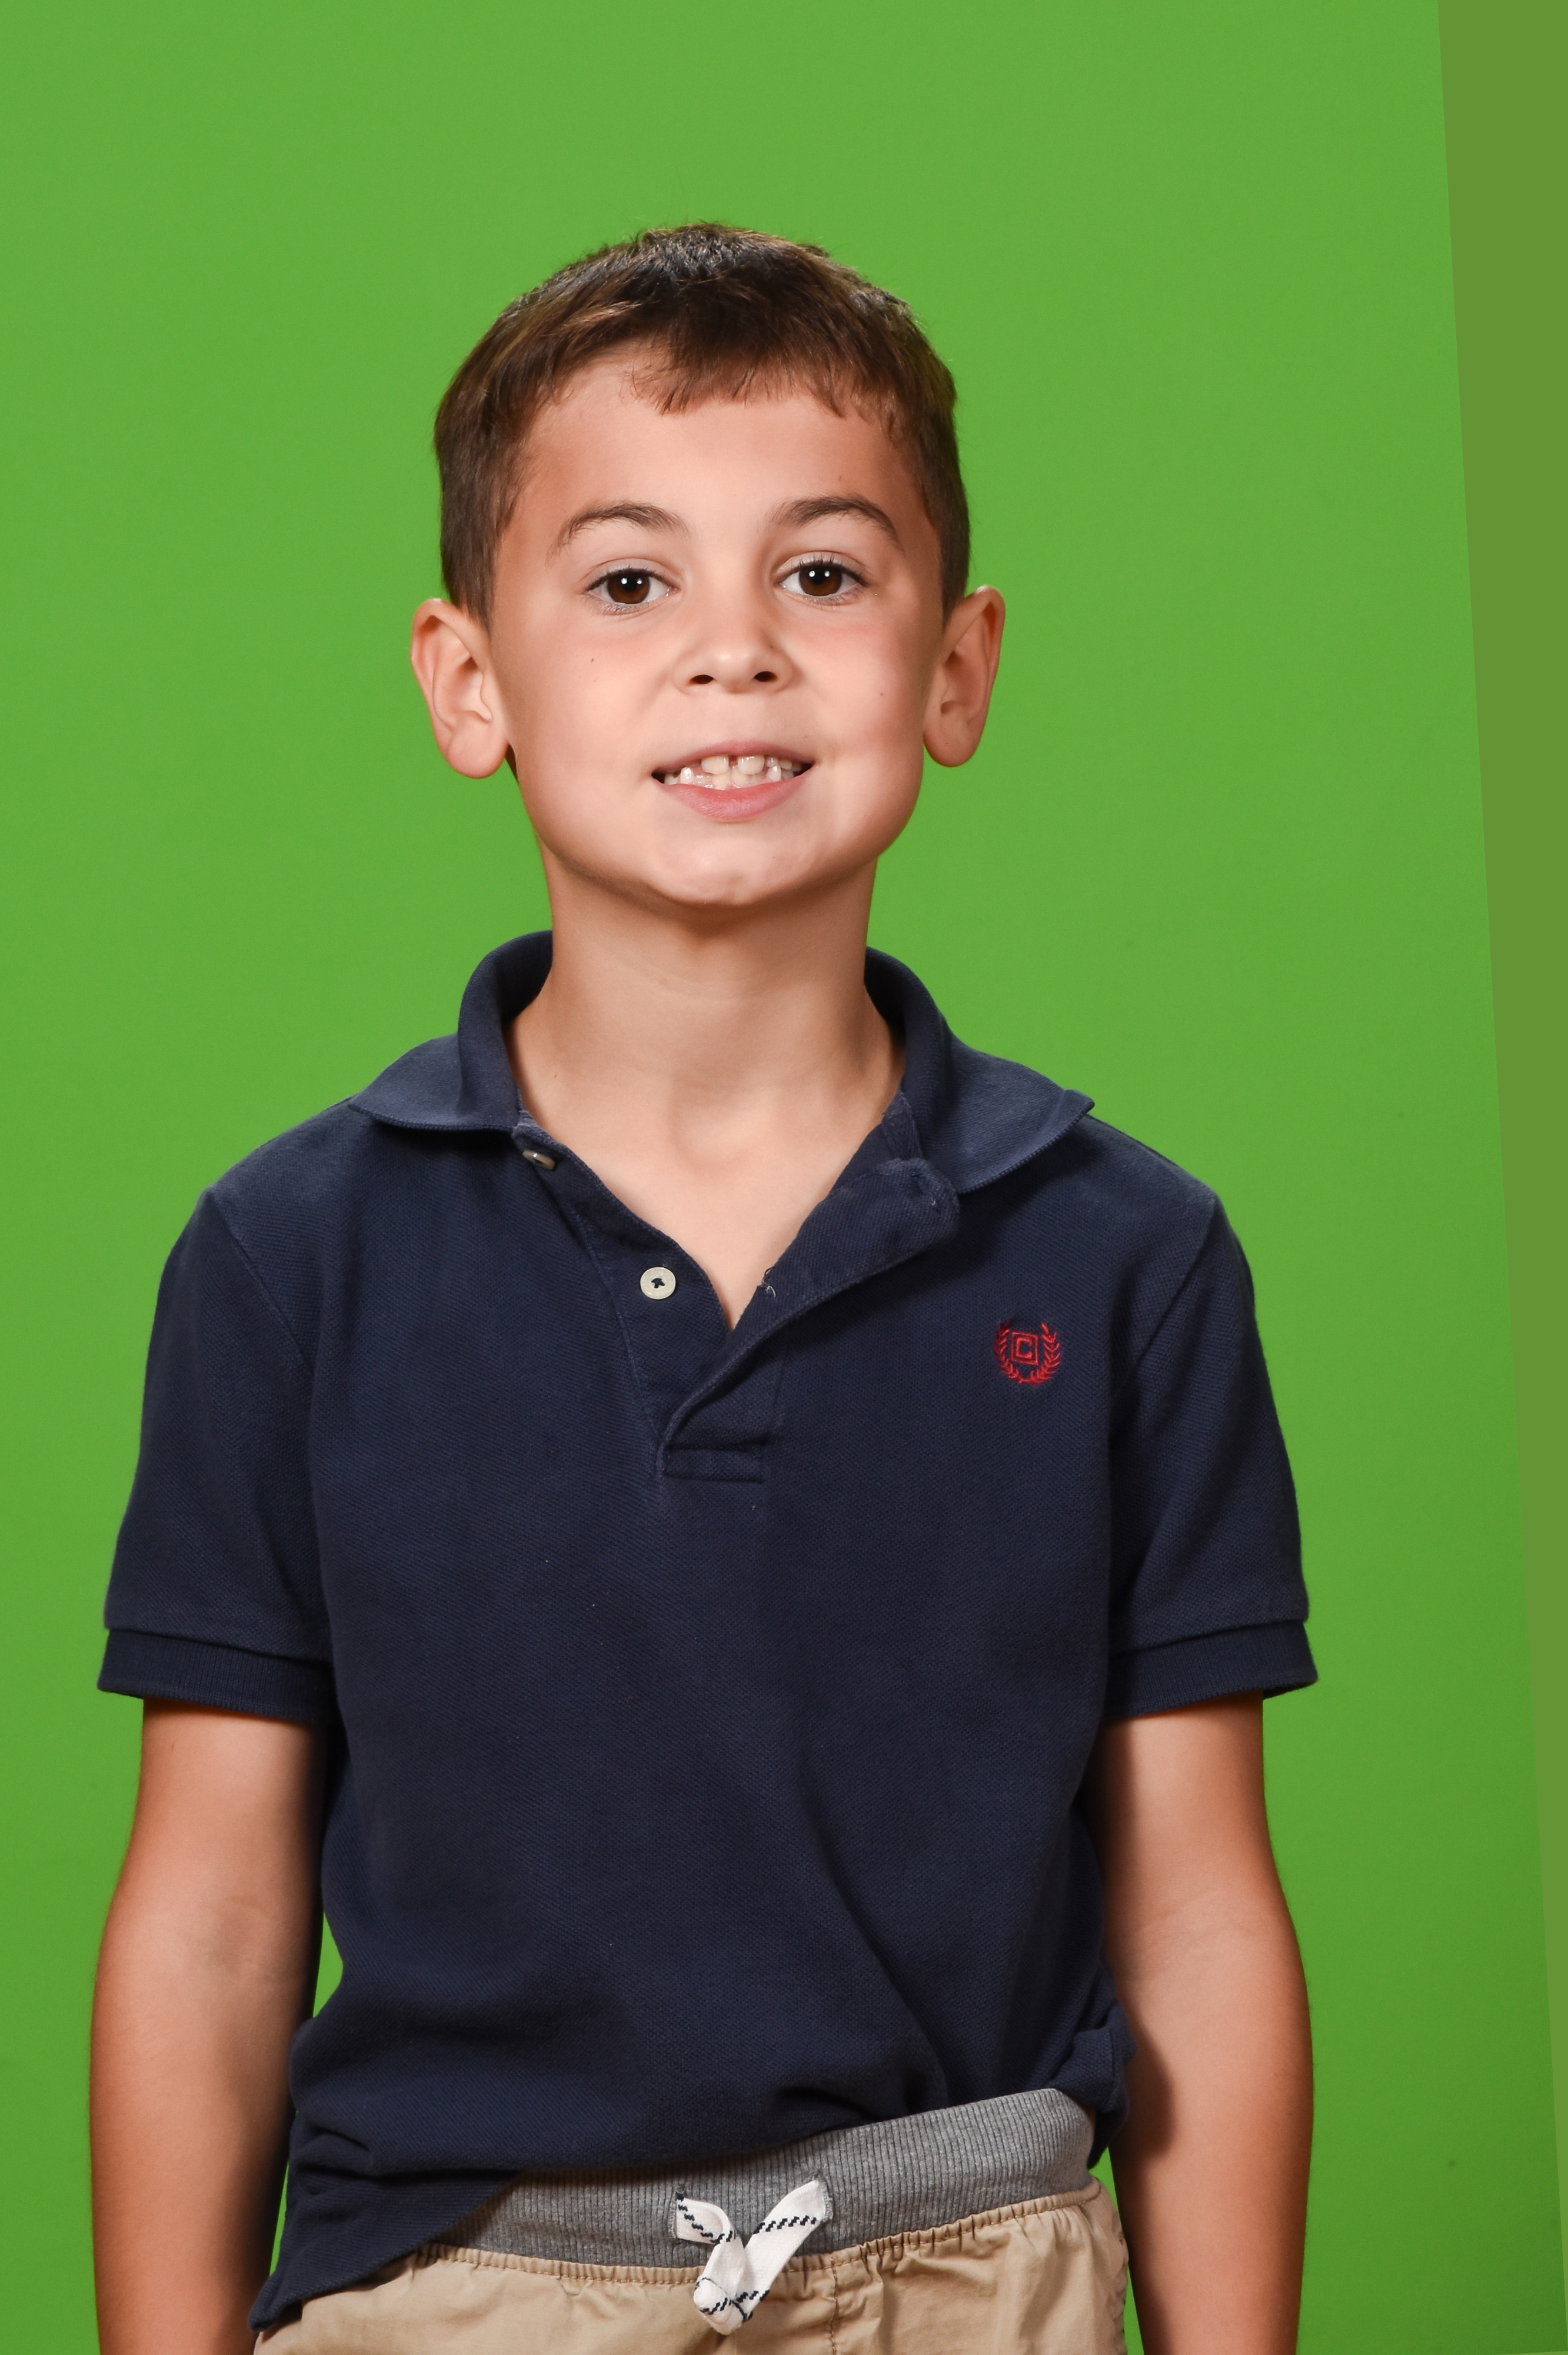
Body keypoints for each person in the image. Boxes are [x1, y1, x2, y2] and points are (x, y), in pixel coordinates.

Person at [90, 225, 1314, 2355]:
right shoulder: (293, 1261)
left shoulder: (1125, 1256)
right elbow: (209, 1919)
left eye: (821, 574)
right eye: (630, 582)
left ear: (958, 667)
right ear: (468, 681)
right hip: (455, 2292)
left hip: (977, 2270)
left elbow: (1197, 1911)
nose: (733, 652)